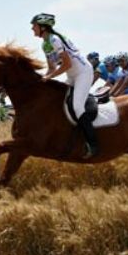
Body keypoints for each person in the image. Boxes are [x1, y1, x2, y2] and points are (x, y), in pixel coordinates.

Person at [30, 13, 97, 158]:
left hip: (83, 73)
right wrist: (42, 80)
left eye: (34, 25)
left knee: (77, 106)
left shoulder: (54, 40)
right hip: (72, 75)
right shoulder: (45, 44)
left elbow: (67, 64)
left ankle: (93, 144)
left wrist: (50, 77)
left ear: (42, 27)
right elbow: (51, 68)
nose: (32, 28)